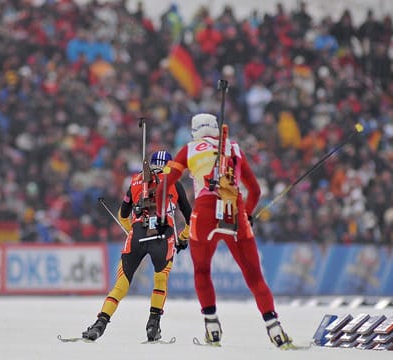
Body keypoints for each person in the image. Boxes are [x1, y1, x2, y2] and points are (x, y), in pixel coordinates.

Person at [155, 113, 293, 348]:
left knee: (201, 270)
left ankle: (212, 327)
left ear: (194, 130)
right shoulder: (234, 148)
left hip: (204, 214)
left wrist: (160, 217)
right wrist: (247, 213)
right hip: (234, 211)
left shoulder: (189, 149)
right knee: (254, 276)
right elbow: (256, 191)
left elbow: (165, 186)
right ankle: (275, 328)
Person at [82, 150, 192, 342]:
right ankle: (153, 325)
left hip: (137, 234)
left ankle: (100, 323)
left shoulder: (135, 182)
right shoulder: (175, 183)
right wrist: (182, 238)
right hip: (163, 236)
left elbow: (123, 214)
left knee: (120, 286)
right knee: (160, 281)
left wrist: (131, 231)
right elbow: (191, 219)